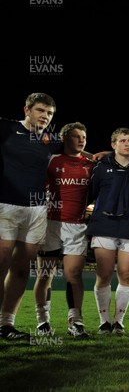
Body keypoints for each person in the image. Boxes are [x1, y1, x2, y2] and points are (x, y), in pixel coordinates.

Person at [0, 93, 63, 340]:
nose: (45, 117)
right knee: (1, 263)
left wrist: (96, 156)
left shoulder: (51, 140)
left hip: (36, 210)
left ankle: (6, 325)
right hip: (6, 206)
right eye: (40, 111)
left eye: (49, 113)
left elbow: (75, 150)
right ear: (26, 109)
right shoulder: (6, 127)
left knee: (21, 270)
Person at [87, 127, 129, 335]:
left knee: (125, 274)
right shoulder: (101, 167)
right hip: (104, 226)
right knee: (104, 275)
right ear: (113, 144)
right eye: (123, 140)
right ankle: (104, 322)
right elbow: (90, 193)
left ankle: (118, 322)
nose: (128, 144)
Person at [33, 122, 93, 339]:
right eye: (76, 136)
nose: (81, 140)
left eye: (83, 136)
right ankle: (42, 321)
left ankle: (75, 322)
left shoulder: (91, 164)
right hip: (50, 224)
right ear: (65, 139)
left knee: (74, 275)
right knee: (45, 275)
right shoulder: (51, 160)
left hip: (76, 226)